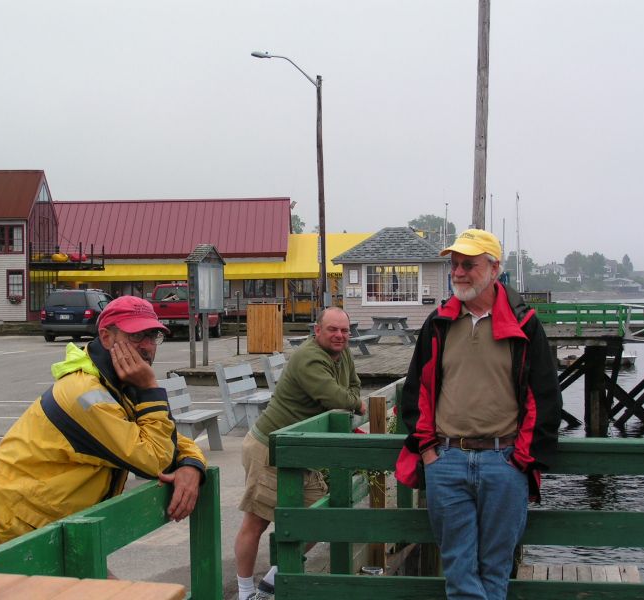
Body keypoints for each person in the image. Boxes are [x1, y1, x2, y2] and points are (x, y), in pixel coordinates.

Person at [395, 229, 562, 600]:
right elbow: (417, 393)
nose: (458, 272)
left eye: (468, 264)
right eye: (455, 264)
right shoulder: (438, 322)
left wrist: (520, 459)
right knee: (458, 570)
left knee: (495, 569)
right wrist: (428, 452)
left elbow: (544, 398)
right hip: (447, 461)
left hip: (504, 463)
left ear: (493, 268)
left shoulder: (525, 323)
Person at [0, 295, 207, 546]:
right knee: (116, 588)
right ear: (106, 337)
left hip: (42, 526)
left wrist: (191, 464)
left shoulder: (114, 382)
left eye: (153, 336)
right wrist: (149, 389)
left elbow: (167, 439)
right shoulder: (87, 394)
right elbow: (155, 460)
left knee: (114, 587)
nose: (147, 346)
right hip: (5, 528)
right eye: (136, 336)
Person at [234, 307, 367, 600]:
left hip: (300, 451)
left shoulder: (341, 353)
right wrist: (354, 402)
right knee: (256, 522)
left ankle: (270, 582)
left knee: (319, 518)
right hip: (270, 448)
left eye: (345, 330)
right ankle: (244, 593)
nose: (340, 336)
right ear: (317, 330)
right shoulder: (309, 357)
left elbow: (354, 387)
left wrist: (351, 399)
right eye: (333, 329)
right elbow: (336, 396)